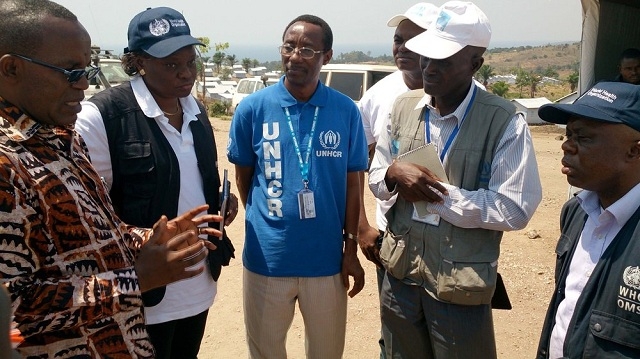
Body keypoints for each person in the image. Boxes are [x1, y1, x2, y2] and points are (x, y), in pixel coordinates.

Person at [0, 0, 220, 357]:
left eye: (86, 68)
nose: (85, 83)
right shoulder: (7, 162)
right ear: (11, 69)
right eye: (71, 71)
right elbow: (11, 311)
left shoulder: (61, 138)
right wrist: (138, 279)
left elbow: (99, 233)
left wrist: (151, 238)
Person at [368, 1, 543, 358]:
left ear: (475, 63)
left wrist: (438, 195)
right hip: (401, 275)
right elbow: (375, 176)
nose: (428, 68)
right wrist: (392, 174)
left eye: (443, 60)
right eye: (425, 56)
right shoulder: (402, 106)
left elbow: (514, 208)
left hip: (458, 284)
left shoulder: (505, 121)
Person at [75, 7, 238, 358]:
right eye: (171, 64)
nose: (185, 74)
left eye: (190, 62)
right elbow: (89, 215)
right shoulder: (102, 117)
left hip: (198, 284)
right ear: (138, 63)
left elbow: (196, 179)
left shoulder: (195, 110)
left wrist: (221, 201)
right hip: (142, 293)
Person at [227, 14, 368, 359]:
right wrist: (270, 217)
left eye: (307, 49)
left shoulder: (345, 111)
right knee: (266, 352)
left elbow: (353, 186)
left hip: (326, 262)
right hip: (267, 260)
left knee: (326, 351)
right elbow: (245, 177)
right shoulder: (252, 109)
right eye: (289, 47)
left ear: (327, 56)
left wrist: (350, 252)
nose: (295, 57)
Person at [356, 3, 438, 357]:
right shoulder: (376, 98)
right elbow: (357, 166)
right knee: (395, 333)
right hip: (392, 236)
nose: (401, 48)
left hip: (451, 240)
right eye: (397, 40)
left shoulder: (472, 98)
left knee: (446, 336)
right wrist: (362, 228)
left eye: (413, 40)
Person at [535, 81, 640, 359]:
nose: (567, 146)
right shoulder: (576, 212)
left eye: (583, 137)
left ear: (634, 150)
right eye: (568, 134)